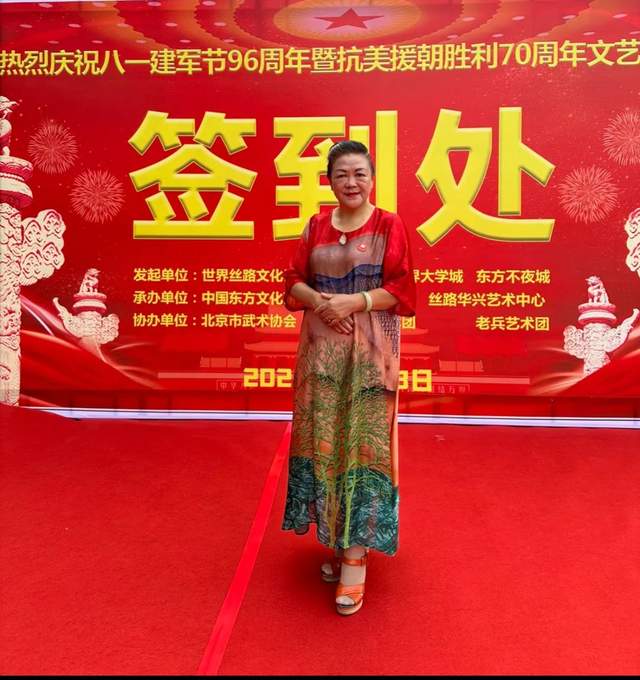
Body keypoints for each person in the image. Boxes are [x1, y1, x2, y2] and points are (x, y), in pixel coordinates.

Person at [281, 140, 417, 616]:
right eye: (342, 174)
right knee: (325, 443)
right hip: (320, 354)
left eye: (359, 173)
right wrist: (323, 304)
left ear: (372, 178)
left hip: (370, 354)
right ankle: (338, 539)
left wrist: (354, 302)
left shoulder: (388, 225)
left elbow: (403, 289)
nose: (351, 182)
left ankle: (356, 558)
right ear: (330, 180)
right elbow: (292, 281)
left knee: (362, 446)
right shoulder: (316, 226)